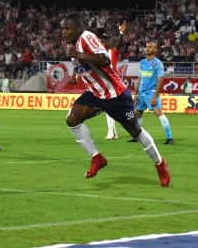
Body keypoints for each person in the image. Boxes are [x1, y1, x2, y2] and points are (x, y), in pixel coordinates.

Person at [61, 13, 170, 187]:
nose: (63, 32)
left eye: (67, 28)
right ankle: (97, 158)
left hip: (115, 94)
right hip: (96, 94)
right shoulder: (72, 46)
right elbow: (83, 66)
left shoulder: (86, 38)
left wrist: (79, 54)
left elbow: (104, 60)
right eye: (62, 28)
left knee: (135, 132)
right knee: (72, 119)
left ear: (79, 29)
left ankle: (160, 164)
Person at [127, 42, 174, 145]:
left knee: (159, 113)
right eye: (147, 47)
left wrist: (155, 96)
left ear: (155, 50)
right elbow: (139, 78)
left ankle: (170, 138)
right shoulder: (142, 62)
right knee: (137, 114)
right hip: (141, 94)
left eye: (150, 47)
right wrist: (135, 92)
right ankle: (138, 136)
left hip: (151, 93)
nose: (148, 49)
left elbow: (160, 80)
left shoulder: (158, 63)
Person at [100, 20, 126, 140]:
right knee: (109, 107)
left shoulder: (112, 52)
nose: (100, 43)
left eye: (102, 41)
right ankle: (112, 131)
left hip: (114, 83)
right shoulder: (97, 56)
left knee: (113, 107)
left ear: (105, 43)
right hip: (105, 84)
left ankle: (112, 131)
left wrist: (121, 33)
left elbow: (119, 45)